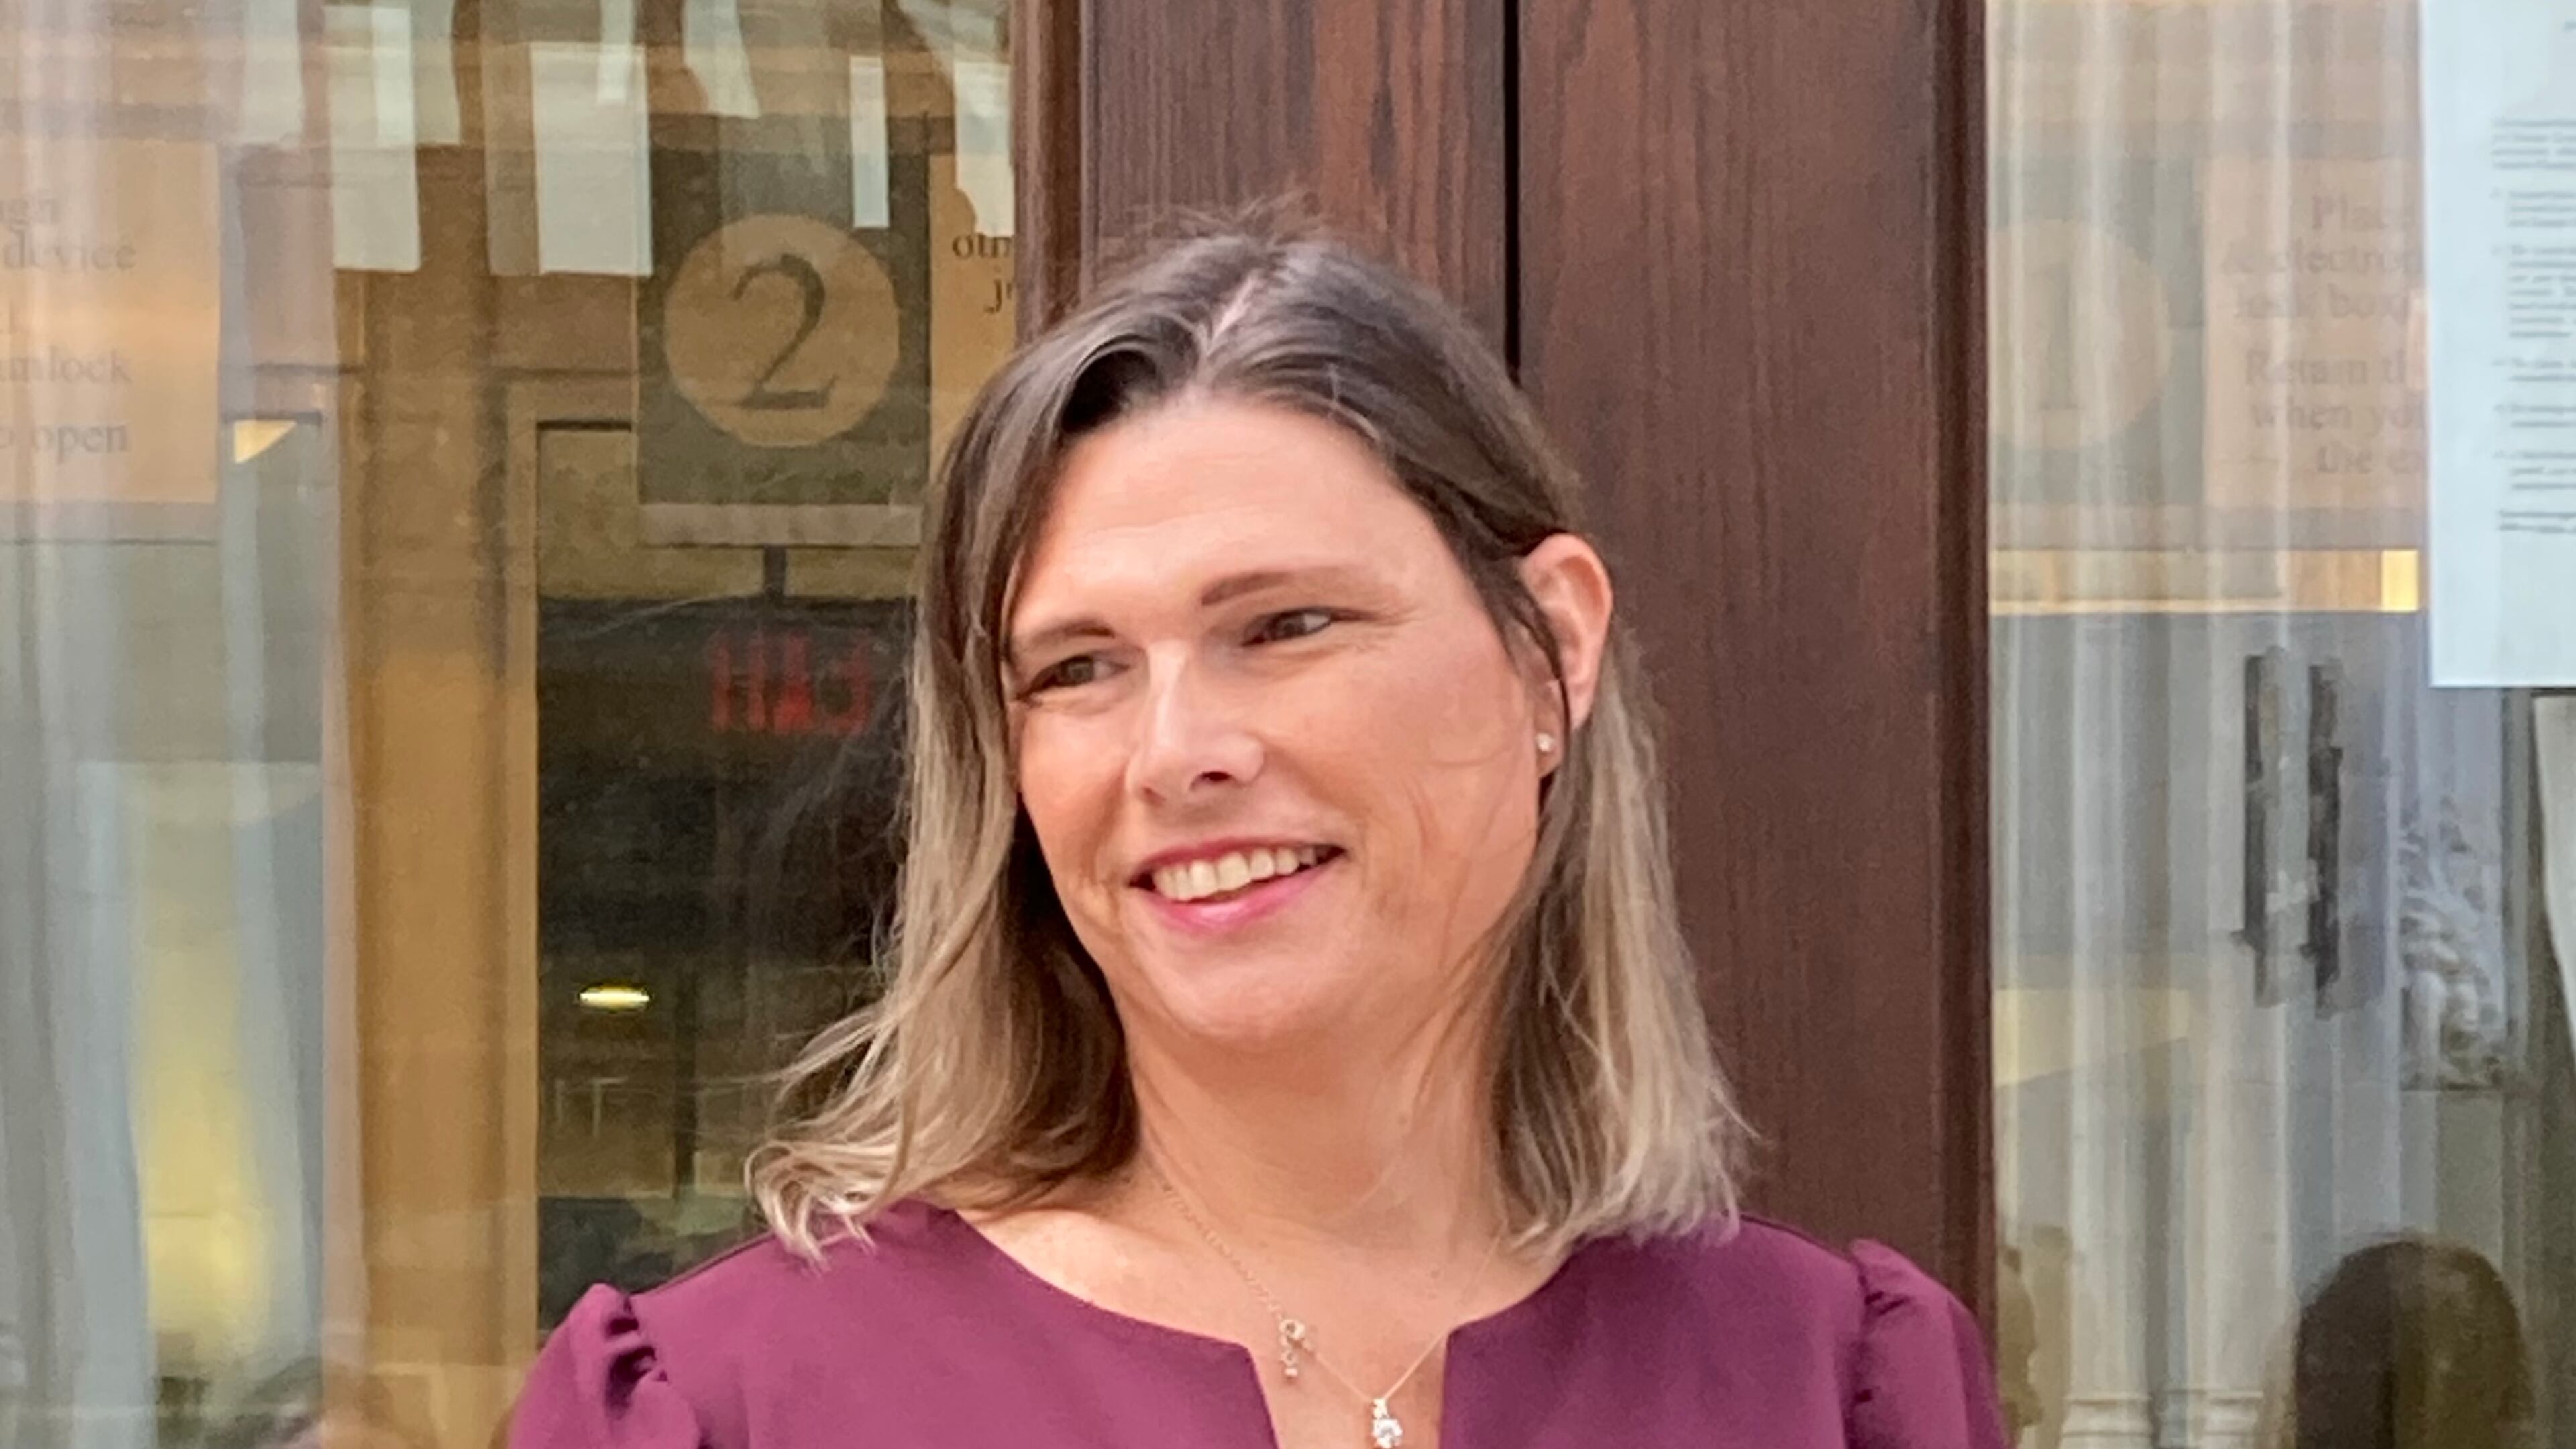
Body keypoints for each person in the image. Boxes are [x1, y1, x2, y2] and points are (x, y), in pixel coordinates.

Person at [509, 221, 2008, 1449]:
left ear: (1552, 651)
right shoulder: (725, 1410)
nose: (1178, 755)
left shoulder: (1828, 1388)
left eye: (1285, 626)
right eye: (1079, 669)